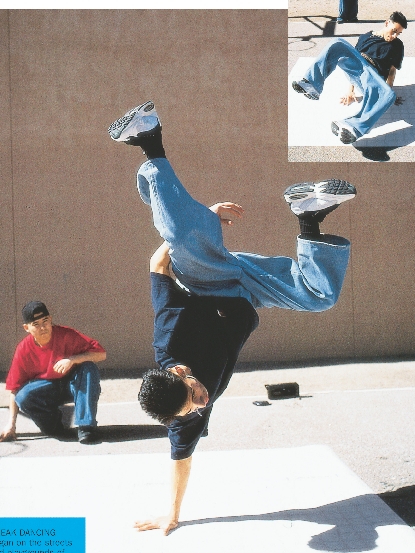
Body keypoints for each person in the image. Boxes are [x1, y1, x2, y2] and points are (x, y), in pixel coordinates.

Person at [107, 101, 357, 534]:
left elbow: (156, 264)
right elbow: (180, 461)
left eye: (196, 393)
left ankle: (149, 138)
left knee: (183, 236)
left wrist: (204, 219)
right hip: (249, 295)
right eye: (195, 406)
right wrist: (173, 515)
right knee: (318, 297)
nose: (203, 401)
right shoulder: (184, 413)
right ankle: (310, 215)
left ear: (181, 372)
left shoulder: (169, 340)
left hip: (208, 279)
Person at [292, 11, 407, 144]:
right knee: (337, 42)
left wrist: (386, 91)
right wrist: (350, 91)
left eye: (398, 33)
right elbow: (352, 59)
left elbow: (392, 72)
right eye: (393, 31)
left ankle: (354, 127)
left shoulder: (398, 46)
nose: (394, 36)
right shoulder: (365, 37)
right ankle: (312, 84)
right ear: (387, 23)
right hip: (359, 68)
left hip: (374, 78)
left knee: (390, 95)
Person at [0, 301, 105, 444]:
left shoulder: (67, 335)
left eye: (45, 321)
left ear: (50, 319)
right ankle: (54, 426)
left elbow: (101, 354)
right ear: (26, 328)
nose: (43, 327)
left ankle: (86, 427)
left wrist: (72, 360)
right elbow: (14, 389)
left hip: (73, 385)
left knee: (88, 368)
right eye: (36, 324)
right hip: (47, 390)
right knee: (23, 396)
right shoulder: (23, 350)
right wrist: (11, 425)